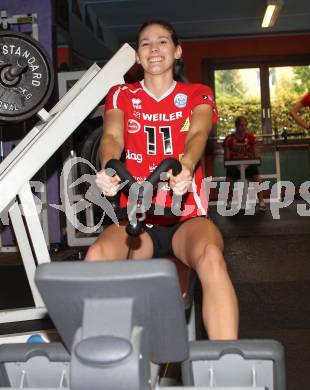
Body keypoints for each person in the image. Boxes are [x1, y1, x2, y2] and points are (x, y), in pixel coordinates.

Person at [85, 20, 238, 340]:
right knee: (96, 256)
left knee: (211, 256)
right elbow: (112, 136)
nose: (154, 49)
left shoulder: (198, 93)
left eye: (163, 42)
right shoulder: (120, 95)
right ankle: (106, 359)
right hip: (136, 222)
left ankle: (226, 362)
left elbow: (198, 132)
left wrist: (186, 163)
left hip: (185, 220)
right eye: (145, 44)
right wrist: (109, 167)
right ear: (138, 58)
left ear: (178, 51)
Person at [223, 116, 267, 211]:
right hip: (234, 166)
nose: (243, 128)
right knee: (228, 180)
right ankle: (228, 201)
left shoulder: (250, 138)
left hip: (248, 165)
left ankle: (261, 201)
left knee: (257, 178)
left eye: (245, 125)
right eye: (241, 125)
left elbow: (256, 155)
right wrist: (236, 165)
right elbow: (226, 158)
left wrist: (247, 164)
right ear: (236, 126)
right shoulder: (229, 139)